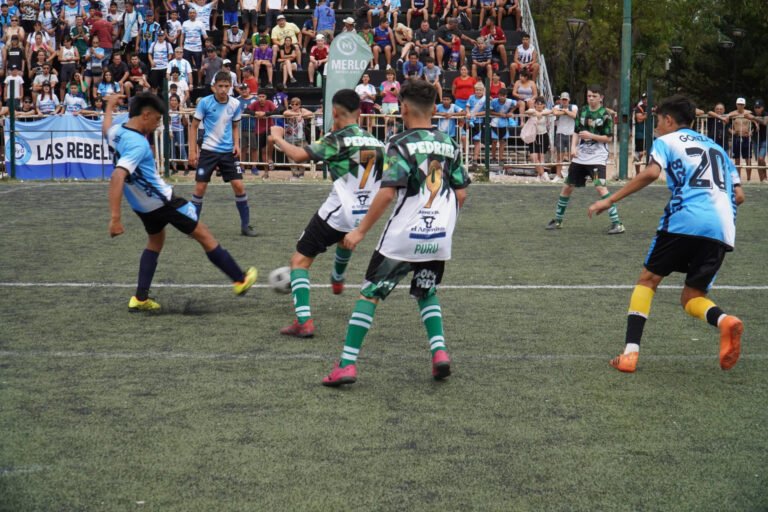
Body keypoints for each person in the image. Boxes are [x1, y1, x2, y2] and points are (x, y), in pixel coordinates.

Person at [321, 79, 470, 387]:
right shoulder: (449, 142)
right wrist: (443, 222)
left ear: (403, 107)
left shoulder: (399, 143)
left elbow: (388, 193)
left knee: (369, 294)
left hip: (403, 236)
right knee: (426, 291)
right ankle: (439, 353)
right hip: (439, 236)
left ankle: (347, 365)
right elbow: (462, 193)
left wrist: (360, 231)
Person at [587, 94, 745, 373]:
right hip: (722, 228)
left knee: (648, 280)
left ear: (669, 120)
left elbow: (650, 173)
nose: (656, 127)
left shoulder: (666, 141)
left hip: (685, 219)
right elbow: (739, 196)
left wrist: (609, 200)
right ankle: (725, 321)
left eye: (658, 121)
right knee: (691, 296)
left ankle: (630, 354)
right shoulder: (718, 149)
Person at [104, 92, 257, 312]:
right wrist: (115, 218)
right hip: (163, 202)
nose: (158, 124)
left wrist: (109, 106)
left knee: (155, 242)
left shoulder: (117, 132)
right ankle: (240, 279)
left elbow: (106, 129)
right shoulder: (138, 144)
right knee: (203, 234)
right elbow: (118, 176)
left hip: (141, 205)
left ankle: (140, 298)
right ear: (146, 115)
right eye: (157, 119)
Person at [269, 89, 385, 338]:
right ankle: (337, 277)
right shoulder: (377, 142)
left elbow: (299, 156)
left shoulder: (337, 139)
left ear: (334, 111)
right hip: (365, 213)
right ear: (359, 112)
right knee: (344, 238)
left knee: (299, 261)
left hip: (338, 211)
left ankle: (304, 322)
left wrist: (277, 136)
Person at [546, 84, 625, 234]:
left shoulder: (605, 115)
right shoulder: (582, 111)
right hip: (581, 157)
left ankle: (617, 223)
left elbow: (608, 138)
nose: (591, 99)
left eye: (594, 96)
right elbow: (576, 131)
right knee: (568, 186)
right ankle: (558, 220)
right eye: (589, 96)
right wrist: (574, 147)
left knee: (600, 186)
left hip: (596, 158)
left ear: (601, 98)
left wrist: (591, 136)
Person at [188, 71, 257, 237]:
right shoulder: (204, 103)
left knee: (239, 186)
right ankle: (192, 227)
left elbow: (235, 126)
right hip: (208, 151)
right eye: (220, 86)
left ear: (231, 87)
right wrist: (192, 151)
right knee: (200, 187)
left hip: (228, 152)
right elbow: (194, 127)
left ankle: (245, 226)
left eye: (226, 86)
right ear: (214, 87)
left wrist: (237, 145)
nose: (223, 89)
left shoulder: (234, 104)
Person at [524, 96, 552, 181]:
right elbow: (527, 112)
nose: (539, 106)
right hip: (534, 136)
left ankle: (539, 175)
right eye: (537, 104)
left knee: (541, 157)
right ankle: (544, 174)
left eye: (541, 104)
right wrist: (536, 113)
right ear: (535, 104)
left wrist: (541, 113)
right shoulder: (533, 110)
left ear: (544, 105)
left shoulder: (545, 111)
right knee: (534, 157)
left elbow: (552, 111)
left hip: (543, 135)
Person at [552, 91, 577, 182]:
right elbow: (555, 113)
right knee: (559, 156)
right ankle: (558, 175)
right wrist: (567, 112)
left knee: (572, 156)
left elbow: (574, 115)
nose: (564, 101)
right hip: (560, 133)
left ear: (569, 100)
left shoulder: (574, 107)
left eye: (566, 100)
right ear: (560, 100)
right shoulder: (557, 107)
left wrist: (564, 111)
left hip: (571, 134)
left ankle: (571, 175)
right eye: (563, 100)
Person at [727, 98, 753, 181]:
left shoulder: (749, 113)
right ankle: (738, 179)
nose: (740, 106)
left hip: (746, 138)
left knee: (748, 159)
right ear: (736, 104)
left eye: (742, 104)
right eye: (739, 104)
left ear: (744, 105)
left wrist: (751, 132)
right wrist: (731, 131)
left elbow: (755, 123)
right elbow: (726, 123)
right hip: (737, 137)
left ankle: (748, 178)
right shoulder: (732, 114)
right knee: (737, 159)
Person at [745, 99, 767, 182]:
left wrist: (754, 118)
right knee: (759, 160)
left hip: (764, 139)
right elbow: (745, 115)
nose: (757, 109)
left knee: (761, 159)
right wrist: (754, 122)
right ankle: (762, 179)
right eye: (755, 107)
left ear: (762, 108)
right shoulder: (753, 114)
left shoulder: (765, 114)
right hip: (755, 140)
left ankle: (765, 176)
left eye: (759, 107)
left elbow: (764, 122)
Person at [632, 93, 648, 176]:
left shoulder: (652, 107)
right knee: (639, 153)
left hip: (649, 134)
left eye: (647, 98)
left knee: (649, 150)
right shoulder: (639, 108)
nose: (645, 100)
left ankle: (647, 171)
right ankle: (637, 173)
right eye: (644, 98)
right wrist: (648, 115)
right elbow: (639, 119)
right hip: (640, 134)